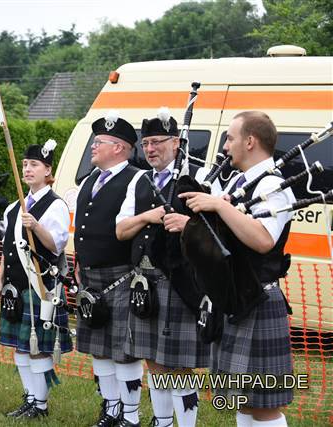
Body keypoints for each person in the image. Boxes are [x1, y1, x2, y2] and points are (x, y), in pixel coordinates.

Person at [180, 111, 295, 427]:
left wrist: (219, 205)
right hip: (236, 298)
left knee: (264, 407)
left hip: (257, 299)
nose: (225, 146)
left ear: (250, 141)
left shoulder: (273, 184)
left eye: (230, 138)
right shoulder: (238, 182)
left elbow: (263, 239)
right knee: (242, 401)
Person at [116, 109, 212, 427]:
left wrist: (188, 223)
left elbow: (214, 229)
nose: (150, 149)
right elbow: (121, 229)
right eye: (146, 143)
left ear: (176, 143)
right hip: (145, 281)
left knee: (180, 365)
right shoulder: (140, 181)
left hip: (181, 280)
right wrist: (148, 216)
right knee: (153, 359)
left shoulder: (198, 176)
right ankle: (162, 421)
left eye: (157, 142)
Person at [74, 113, 145, 427]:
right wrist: (79, 260)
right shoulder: (91, 178)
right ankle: (111, 408)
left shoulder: (136, 178)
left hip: (121, 275)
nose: (93, 146)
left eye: (99, 142)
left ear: (119, 148)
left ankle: (131, 415)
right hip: (91, 275)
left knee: (122, 350)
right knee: (99, 350)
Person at [0, 140, 73, 419]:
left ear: (47, 170)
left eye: (34, 165)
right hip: (16, 286)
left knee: (37, 348)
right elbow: (7, 248)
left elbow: (56, 246)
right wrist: (0, 279)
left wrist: (36, 226)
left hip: (40, 286)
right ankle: (30, 398)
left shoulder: (56, 205)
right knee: (20, 346)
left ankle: (40, 404)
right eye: (25, 164)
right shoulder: (14, 207)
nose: (27, 169)